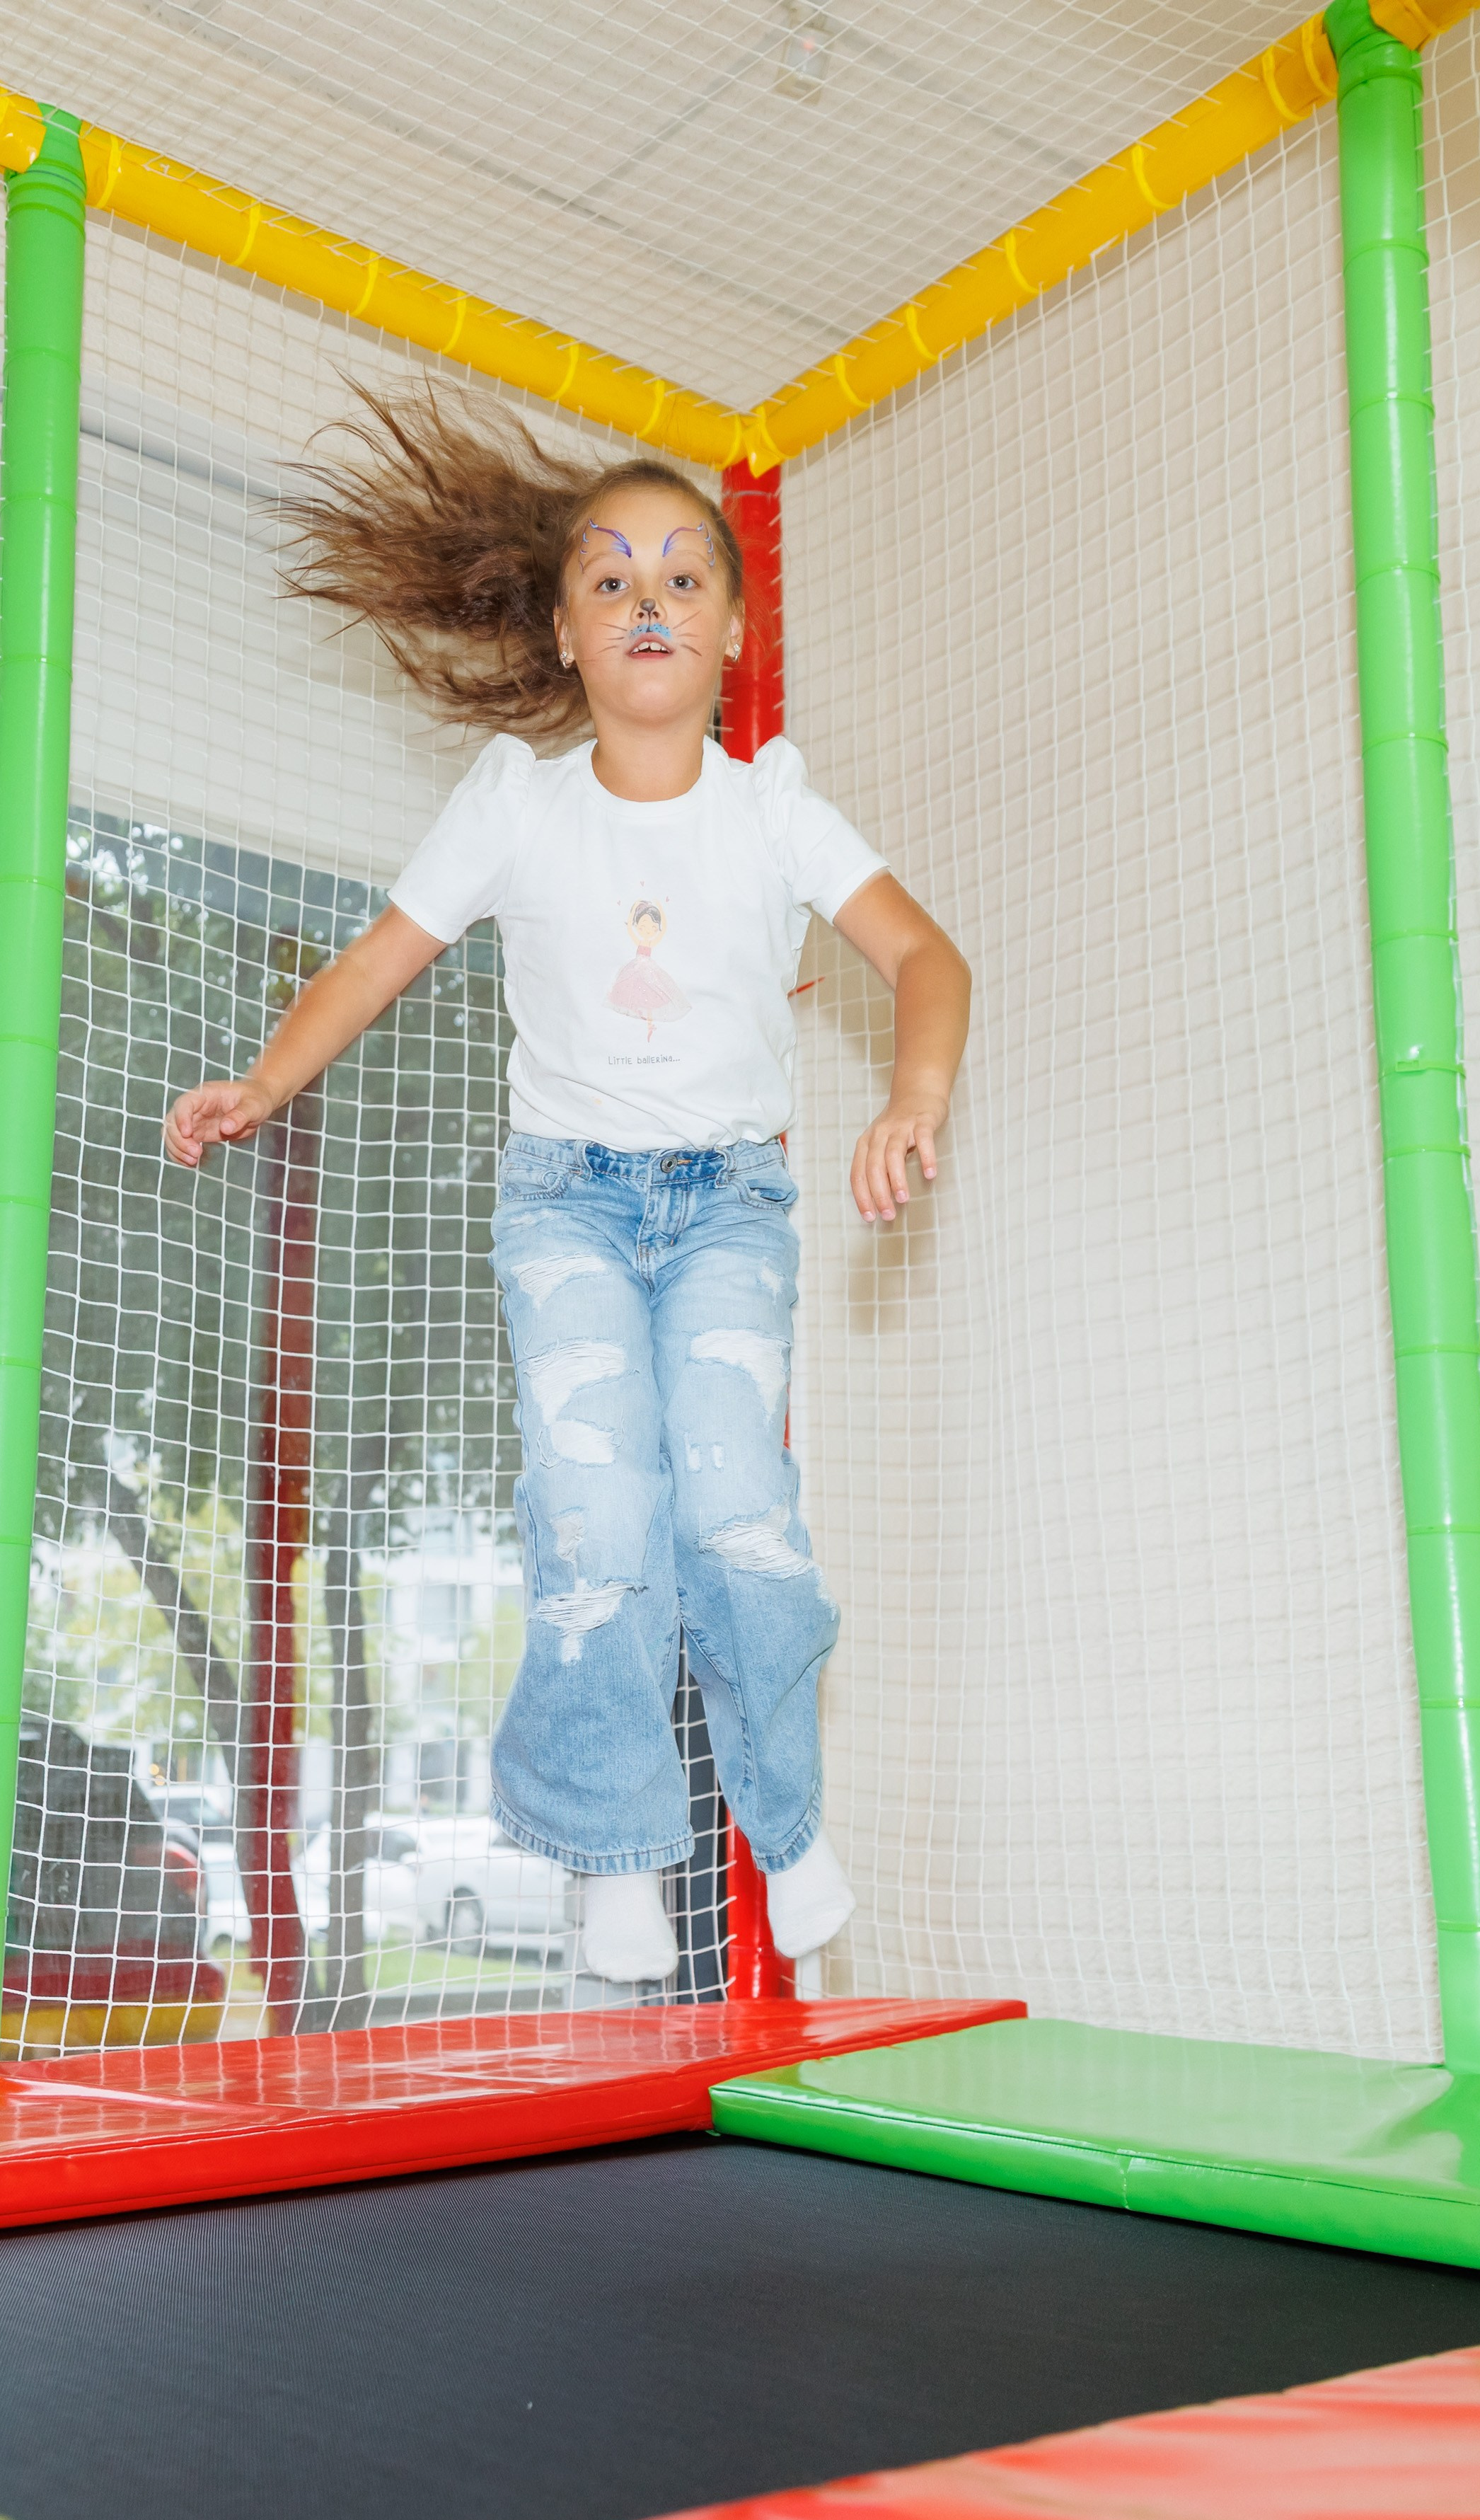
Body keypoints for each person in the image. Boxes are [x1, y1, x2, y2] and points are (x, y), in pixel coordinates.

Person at [165, 389, 971, 1984]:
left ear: (730, 629)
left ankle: (783, 1819)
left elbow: (923, 954)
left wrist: (911, 1091)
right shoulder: (515, 807)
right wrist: (268, 1077)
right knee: (600, 1516)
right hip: (569, 1208)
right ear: (564, 632)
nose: (646, 597)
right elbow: (380, 959)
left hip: (731, 1202)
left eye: (681, 574)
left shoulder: (770, 806)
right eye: (609, 578)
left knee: (743, 1521)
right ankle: (614, 1847)